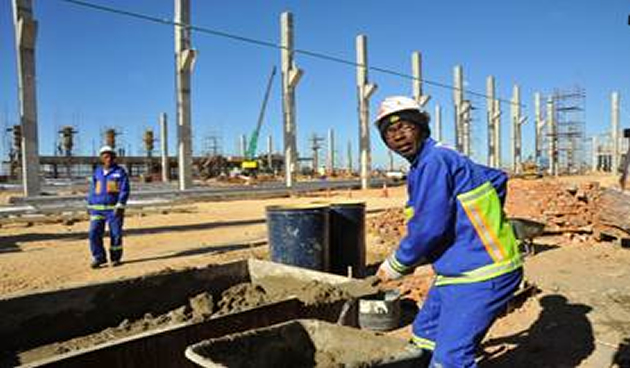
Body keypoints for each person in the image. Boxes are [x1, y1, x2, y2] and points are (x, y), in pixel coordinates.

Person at [375, 96, 523, 367]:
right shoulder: (432, 159)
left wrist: (397, 264)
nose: (398, 137)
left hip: (482, 272)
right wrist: (469, 225)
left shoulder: (435, 160)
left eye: (406, 127)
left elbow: (428, 227)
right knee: (424, 335)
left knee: (450, 359)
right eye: (390, 132)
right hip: (456, 270)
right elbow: (496, 178)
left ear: (421, 127)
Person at [87, 145, 130, 268]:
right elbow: (92, 190)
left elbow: (124, 189)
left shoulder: (119, 172)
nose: (108, 159)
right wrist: (90, 204)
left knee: (115, 234)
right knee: (93, 234)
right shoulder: (97, 172)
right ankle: (99, 257)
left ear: (114, 158)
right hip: (97, 210)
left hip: (114, 209)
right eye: (105, 157)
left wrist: (120, 205)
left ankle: (115, 258)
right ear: (101, 158)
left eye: (111, 156)